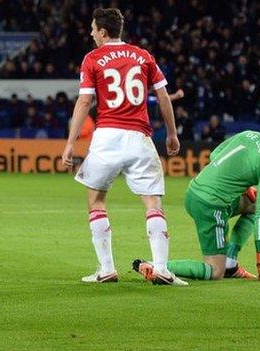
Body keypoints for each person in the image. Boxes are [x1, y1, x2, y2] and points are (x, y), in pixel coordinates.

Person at [61, 8, 186, 286]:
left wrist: (70, 143)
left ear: (103, 32)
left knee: (96, 200)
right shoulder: (143, 56)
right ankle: (163, 268)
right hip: (140, 137)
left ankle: (106, 269)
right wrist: (172, 133)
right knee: (153, 202)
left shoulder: (92, 58)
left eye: (93, 29)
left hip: (107, 136)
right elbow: (163, 96)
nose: (91, 33)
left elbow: (84, 103)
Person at [133, 119, 260, 281]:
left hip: (193, 191)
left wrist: (245, 188)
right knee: (216, 271)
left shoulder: (249, 134)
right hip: (210, 206)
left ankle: (231, 264)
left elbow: (215, 154)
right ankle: (156, 265)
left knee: (252, 205)